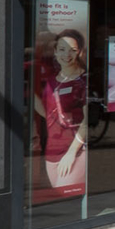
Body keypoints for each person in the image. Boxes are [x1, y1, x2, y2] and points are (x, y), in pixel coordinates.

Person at [35, 29, 88, 193]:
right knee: (60, 198)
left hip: (75, 150)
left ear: (79, 52)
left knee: (65, 194)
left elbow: (86, 122)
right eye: (62, 49)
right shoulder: (50, 81)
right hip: (52, 151)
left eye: (73, 50)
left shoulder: (84, 80)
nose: (67, 54)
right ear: (56, 52)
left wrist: (72, 152)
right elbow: (47, 112)